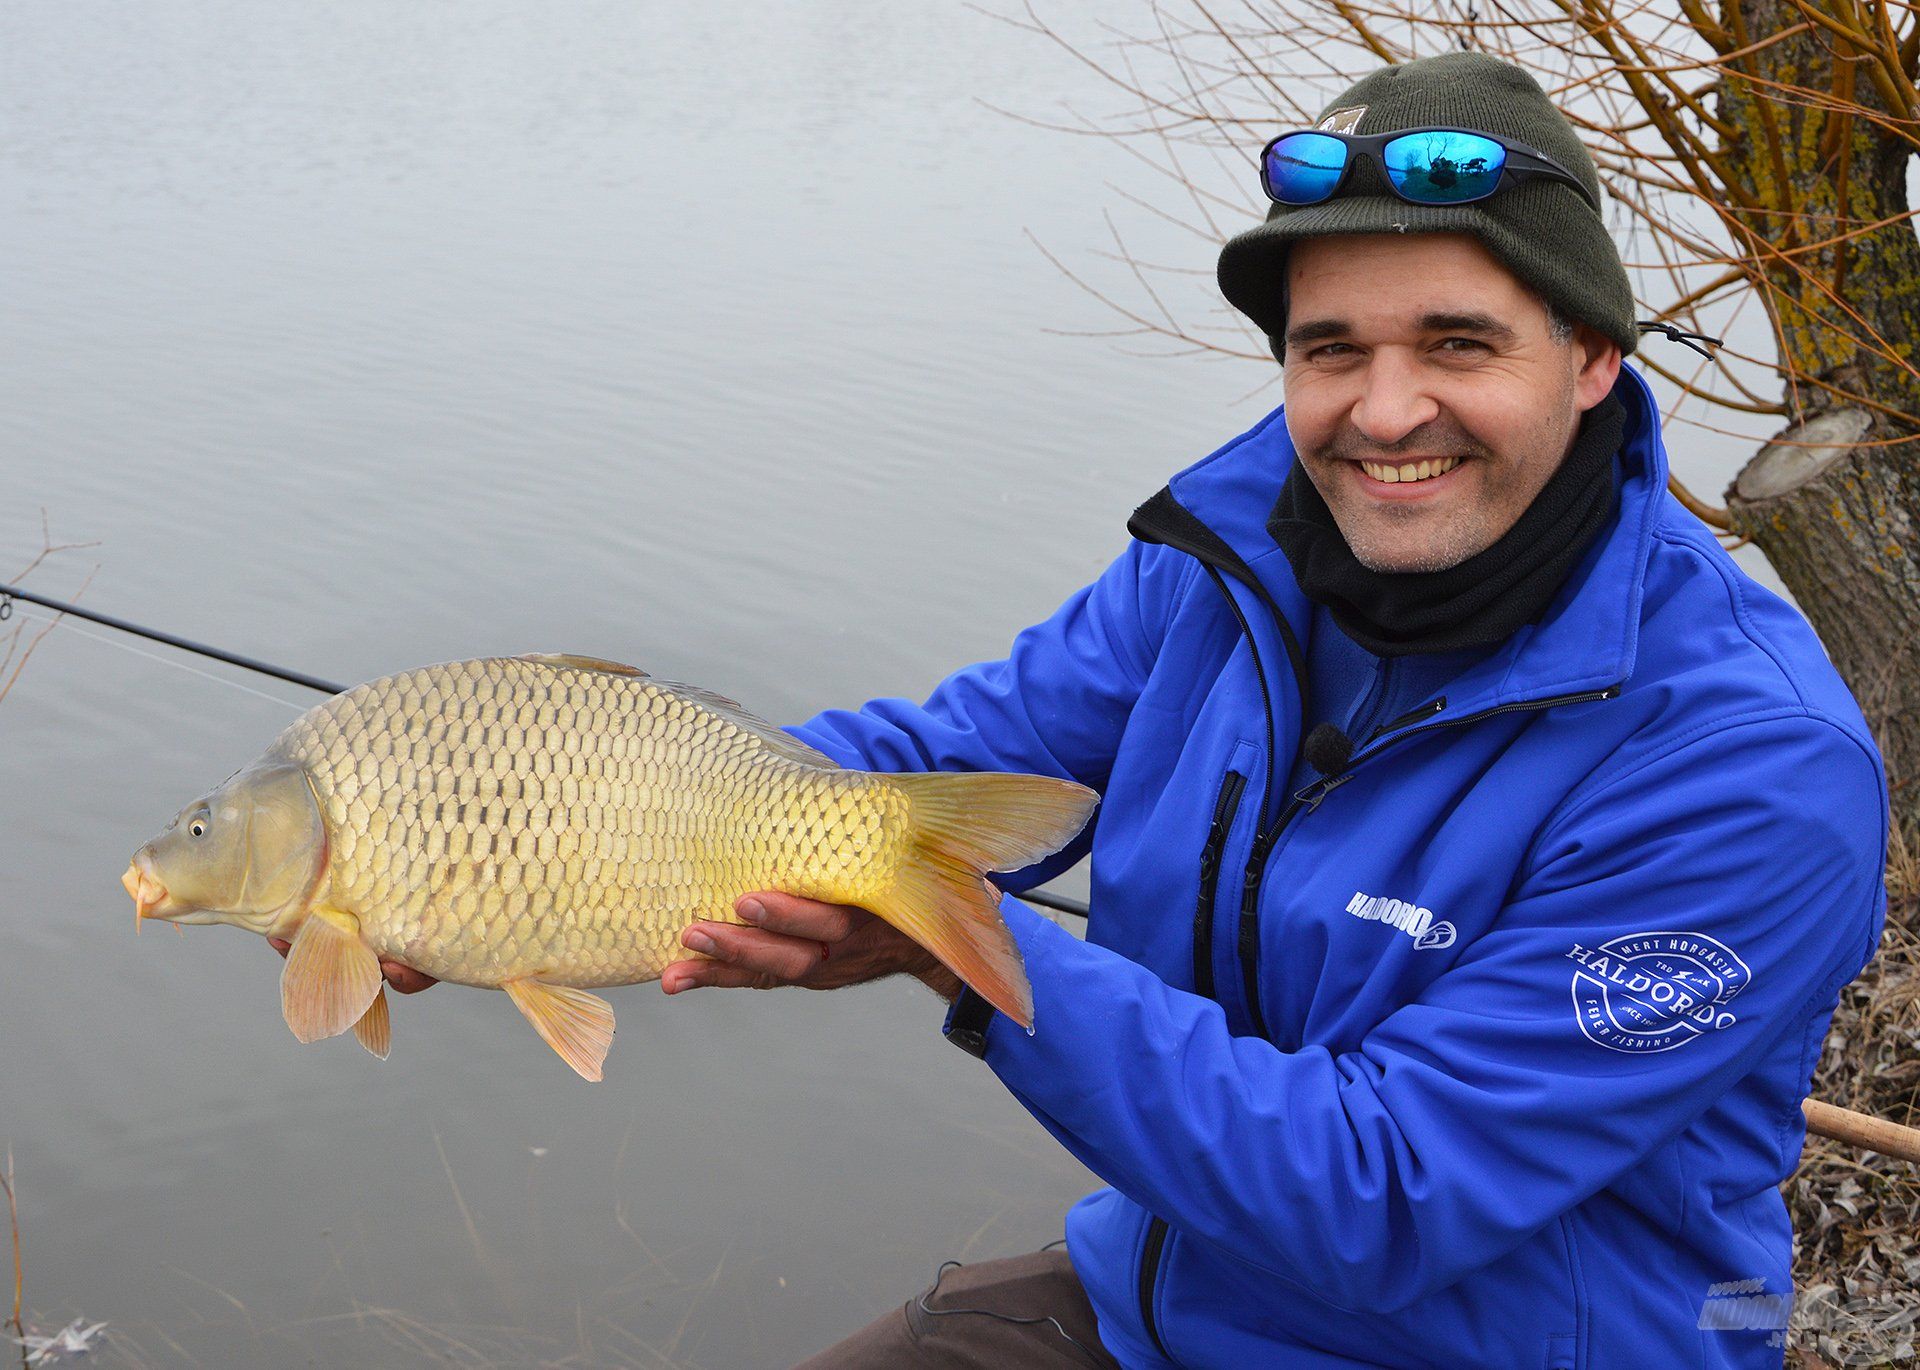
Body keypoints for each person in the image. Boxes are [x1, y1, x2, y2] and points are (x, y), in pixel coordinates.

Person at [306, 52, 1890, 1369]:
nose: (1384, 410)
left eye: (1458, 344)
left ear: (1592, 355)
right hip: (1173, 1302)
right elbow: (939, 761)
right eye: (1330, 350)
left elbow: (1384, 1191)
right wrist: (579, 827)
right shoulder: (1239, 557)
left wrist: (970, 950)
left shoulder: (1749, 763)